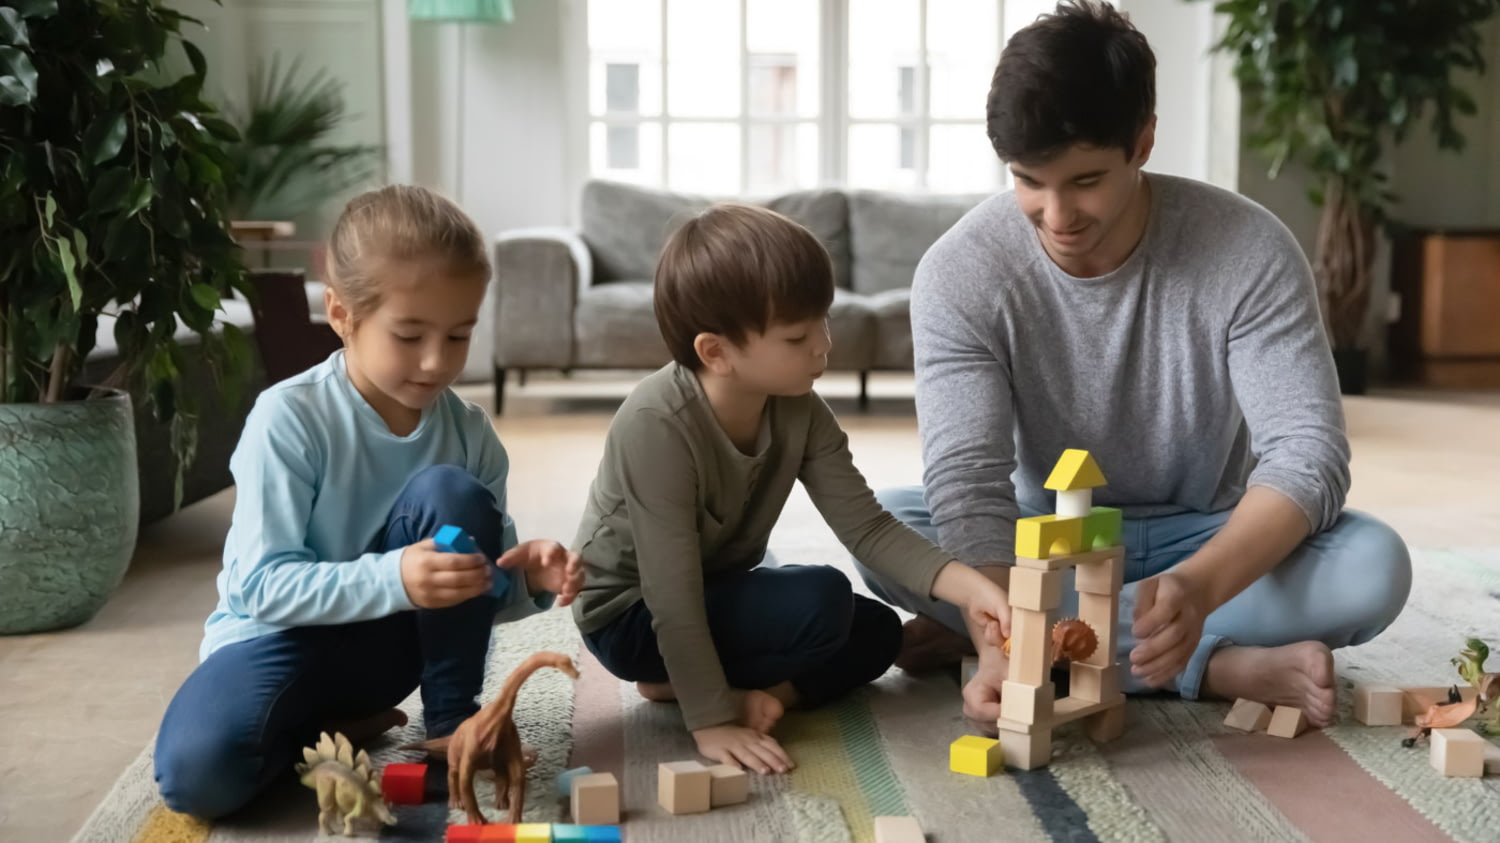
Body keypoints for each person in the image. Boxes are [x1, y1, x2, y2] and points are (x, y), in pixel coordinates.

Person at [856, 0, 1411, 732]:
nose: (1056, 216)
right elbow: (967, 479)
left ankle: (1064, 642)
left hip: (1206, 532)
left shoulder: (1248, 249)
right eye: (1029, 181)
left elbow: (1308, 455)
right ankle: (1207, 665)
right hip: (1041, 535)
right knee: (887, 532)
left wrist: (1202, 584)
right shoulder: (960, 271)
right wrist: (1002, 626)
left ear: (1143, 141)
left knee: (1375, 566)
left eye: (1085, 181)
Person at [154, 185, 584, 818]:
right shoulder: (289, 419)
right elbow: (261, 587)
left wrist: (527, 579)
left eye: (459, 335)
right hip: (277, 642)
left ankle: (445, 730)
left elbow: (475, 598)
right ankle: (326, 730)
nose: (437, 361)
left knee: (449, 492)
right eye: (409, 335)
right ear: (342, 314)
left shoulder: (469, 435)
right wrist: (396, 575)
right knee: (196, 780)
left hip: (385, 651)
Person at [571, 203, 1013, 774]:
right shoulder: (656, 424)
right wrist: (711, 721)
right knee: (821, 599)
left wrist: (970, 588)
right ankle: (695, 690)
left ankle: (757, 696)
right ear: (716, 352)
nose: (822, 346)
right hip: (631, 615)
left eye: (823, 322)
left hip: (715, 589)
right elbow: (672, 593)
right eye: (797, 335)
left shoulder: (800, 410)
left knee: (878, 633)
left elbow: (869, 526)